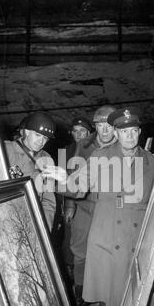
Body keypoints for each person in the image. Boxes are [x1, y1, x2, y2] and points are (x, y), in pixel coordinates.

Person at [43, 107, 154, 306]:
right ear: (116, 134)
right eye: (123, 131)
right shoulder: (100, 157)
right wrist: (61, 179)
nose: (129, 136)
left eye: (133, 130)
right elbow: (79, 186)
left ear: (139, 132)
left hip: (137, 244)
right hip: (107, 242)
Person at [64, 106, 117, 306]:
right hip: (84, 206)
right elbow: (72, 174)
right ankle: (80, 294)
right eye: (100, 126)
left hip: (108, 210)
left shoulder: (124, 144)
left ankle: (104, 296)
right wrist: (69, 205)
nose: (104, 131)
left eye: (109, 126)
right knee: (79, 250)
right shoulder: (84, 145)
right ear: (94, 126)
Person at [4, 111, 57, 232]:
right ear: (27, 132)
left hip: (32, 220)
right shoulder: (6, 150)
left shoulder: (47, 159)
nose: (41, 141)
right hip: (6, 217)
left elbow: (48, 200)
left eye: (45, 138)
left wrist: (45, 229)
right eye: (37, 135)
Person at [62, 116, 93, 284]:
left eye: (83, 131)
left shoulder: (95, 150)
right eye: (75, 131)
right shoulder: (67, 151)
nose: (79, 134)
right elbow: (64, 181)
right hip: (73, 203)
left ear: (89, 133)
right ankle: (71, 276)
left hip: (90, 202)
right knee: (70, 239)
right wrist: (69, 205)